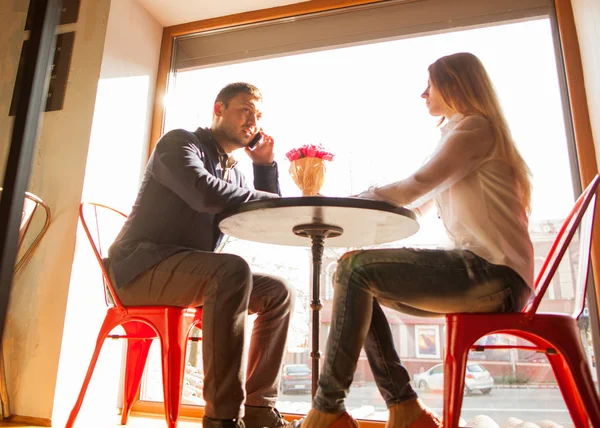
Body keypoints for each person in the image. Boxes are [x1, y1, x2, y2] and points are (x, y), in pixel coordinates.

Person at [301, 52, 534, 428]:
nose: (422, 94)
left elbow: (415, 188)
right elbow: (419, 205)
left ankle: (330, 411)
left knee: (354, 271)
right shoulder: (463, 133)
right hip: (490, 274)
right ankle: (404, 408)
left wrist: (345, 203)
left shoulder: (475, 128)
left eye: (430, 84)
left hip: (494, 275)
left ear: (454, 84)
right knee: (356, 274)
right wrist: (356, 218)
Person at [106, 82, 295, 428]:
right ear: (218, 109)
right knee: (231, 271)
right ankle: (222, 419)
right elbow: (203, 194)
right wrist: (256, 193)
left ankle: (258, 411)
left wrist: (265, 167)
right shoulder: (179, 143)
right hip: (139, 268)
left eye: (258, 115)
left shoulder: (235, 172)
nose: (252, 121)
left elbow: (267, 215)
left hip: (192, 273)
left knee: (278, 291)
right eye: (245, 110)